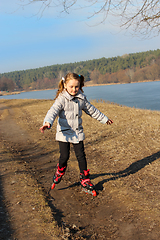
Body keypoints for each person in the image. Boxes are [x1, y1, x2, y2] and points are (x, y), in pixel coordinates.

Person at [39, 72, 113, 194]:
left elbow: (92, 110)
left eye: (76, 87)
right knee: (64, 156)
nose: (74, 89)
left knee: (81, 156)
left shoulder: (81, 98)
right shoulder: (61, 99)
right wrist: (47, 122)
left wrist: (104, 119)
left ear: (80, 86)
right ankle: (60, 170)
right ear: (65, 85)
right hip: (64, 133)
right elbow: (52, 111)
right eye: (71, 87)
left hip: (77, 133)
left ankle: (85, 179)